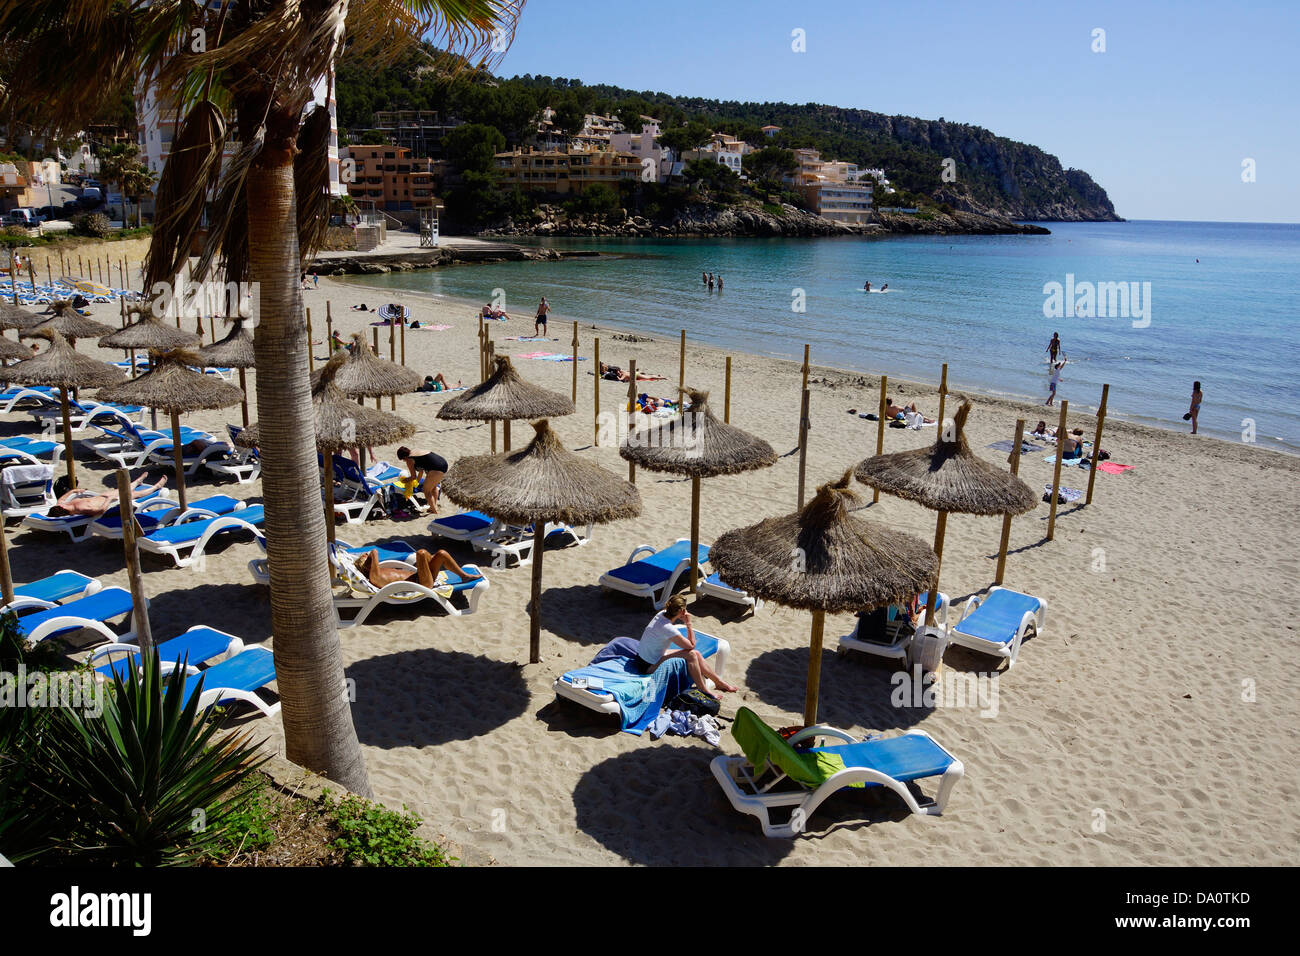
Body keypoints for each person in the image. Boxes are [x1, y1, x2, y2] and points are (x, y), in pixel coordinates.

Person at [634, 594, 737, 700]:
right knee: (692, 654)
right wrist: (688, 623)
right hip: (648, 666)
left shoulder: (660, 615)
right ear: (682, 611)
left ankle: (719, 682)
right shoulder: (669, 629)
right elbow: (691, 645)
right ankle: (704, 690)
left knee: (696, 654)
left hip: (643, 658)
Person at [352, 547, 482, 590]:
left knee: (441, 553)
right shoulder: (375, 577)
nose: (367, 556)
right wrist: (370, 556)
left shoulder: (379, 571)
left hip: (421, 577)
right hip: (422, 584)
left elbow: (373, 555)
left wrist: (367, 560)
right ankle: (463, 576)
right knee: (420, 553)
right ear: (367, 567)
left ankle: (463, 576)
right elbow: (374, 551)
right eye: (366, 560)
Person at [48, 474, 167, 518]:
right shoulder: (81, 510)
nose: (64, 505)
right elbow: (100, 511)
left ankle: (137, 482)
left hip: (101, 496)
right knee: (133, 494)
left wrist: (75, 491)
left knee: (121, 489)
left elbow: (63, 497)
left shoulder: (62, 504)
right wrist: (109, 500)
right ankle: (156, 487)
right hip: (109, 503)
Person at [396, 446, 448, 514]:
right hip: (443, 463)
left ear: (404, 457)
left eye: (403, 459)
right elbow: (421, 471)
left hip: (436, 468)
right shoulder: (415, 451)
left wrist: (404, 480)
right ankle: (432, 507)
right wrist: (416, 482)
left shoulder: (409, 460)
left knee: (426, 490)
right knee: (433, 487)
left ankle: (434, 510)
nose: (404, 461)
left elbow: (413, 476)